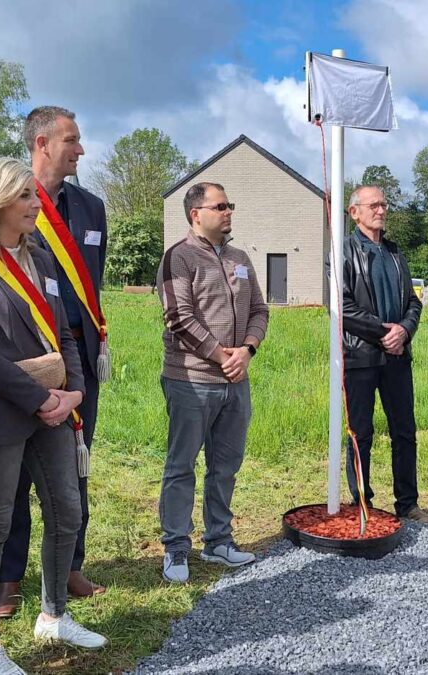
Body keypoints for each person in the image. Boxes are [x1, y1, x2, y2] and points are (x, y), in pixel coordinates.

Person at [0, 158, 106, 674]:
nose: (38, 204)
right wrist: (40, 398)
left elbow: (64, 334)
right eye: (26, 199)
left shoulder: (40, 256)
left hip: (55, 409)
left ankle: (54, 613)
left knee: (67, 510)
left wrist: (74, 392)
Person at [0, 106, 109, 617]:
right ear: (42, 143)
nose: (81, 149)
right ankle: (8, 578)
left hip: (78, 357)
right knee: (15, 471)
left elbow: (91, 287)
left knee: (75, 465)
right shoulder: (6, 197)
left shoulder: (92, 209)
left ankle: (69, 565)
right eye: (72, 139)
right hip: (21, 358)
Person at [156, 182, 269, 583]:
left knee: (225, 465)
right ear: (195, 214)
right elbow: (179, 319)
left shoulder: (240, 257)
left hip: (236, 381)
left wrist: (247, 351)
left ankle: (219, 540)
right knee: (181, 465)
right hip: (191, 380)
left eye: (230, 204)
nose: (228, 212)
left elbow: (259, 309)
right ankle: (176, 548)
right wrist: (224, 356)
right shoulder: (179, 257)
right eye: (220, 206)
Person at [340, 185, 428, 524]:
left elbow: (414, 300)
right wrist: (384, 332)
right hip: (361, 358)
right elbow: (341, 306)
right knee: (360, 434)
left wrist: (405, 330)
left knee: (404, 431)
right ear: (355, 212)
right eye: (374, 205)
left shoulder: (396, 253)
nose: (381, 210)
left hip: (398, 357)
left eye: (384, 204)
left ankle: (408, 504)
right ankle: (362, 504)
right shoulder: (342, 252)